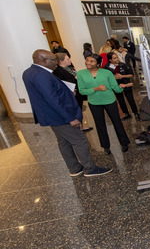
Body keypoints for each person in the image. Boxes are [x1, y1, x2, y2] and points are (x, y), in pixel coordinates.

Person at [22, 49, 111, 177]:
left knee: (63, 141)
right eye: (53, 60)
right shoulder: (41, 75)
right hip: (60, 116)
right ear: (43, 60)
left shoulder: (29, 72)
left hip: (52, 116)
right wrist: (70, 118)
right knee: (79, 139)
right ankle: (90, 169)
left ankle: (74, 168)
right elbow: (52, 99)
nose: (56, 63)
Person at [77, 54, 131, 155]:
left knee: (117, 122)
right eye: (87, 60)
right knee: (100, 125)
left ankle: (124, 143)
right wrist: (96, 89)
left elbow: (116, 89)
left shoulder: (106, 73)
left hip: (110, 100)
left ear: (98, 63)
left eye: (91, 61)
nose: (88, 63)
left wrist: (123, 86)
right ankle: (105, 146)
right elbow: (82, 91)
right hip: (94, 103)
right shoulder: (81, 74)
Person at [52, 53, 93, 132]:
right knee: (76, 109)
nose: (70, 60)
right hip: (72, 93)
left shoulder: (69, 67)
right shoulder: (57, 71)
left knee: (79, 108)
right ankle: (79, 127)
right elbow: (63, 83)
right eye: (67, 59)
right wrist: (75, 78)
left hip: (78, 92)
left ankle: (81, 126)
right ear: (61, 61)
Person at [104, 52, 139, 121]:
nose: (117, 59)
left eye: (117, 57)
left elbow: (131, 75)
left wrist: (122, 76)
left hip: (126, 84)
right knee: (120, 100)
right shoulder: (106, 67)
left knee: (130, 99)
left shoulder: (123, 65)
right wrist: (113, 77)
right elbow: (105, 78)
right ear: (110, 60)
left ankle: (136, 112)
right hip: (116, 86)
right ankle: (126, 113)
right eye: (114, 58)